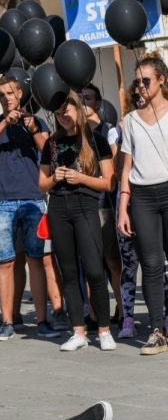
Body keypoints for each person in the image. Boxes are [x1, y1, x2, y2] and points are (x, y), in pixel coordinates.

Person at [0, 76, 54, 341]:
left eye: (10, 93)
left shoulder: (37, 121)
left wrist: (32, 129)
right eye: (1, 94)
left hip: (33, 198)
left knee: (35, 260)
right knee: (5, 261)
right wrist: (5, 122)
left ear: (19, 92)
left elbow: (49, 152)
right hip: (2, 201)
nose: (6, 98)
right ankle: (7, 321)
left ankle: (42, 321)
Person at [39, 93, 116, 352]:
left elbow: (108, 182)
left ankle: (104, 331)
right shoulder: (52, 142)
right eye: (58, 113)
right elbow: (42, 184)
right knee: (69, 273)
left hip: (86, 205)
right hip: (59, 208)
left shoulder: (96, 140)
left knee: (94, 270)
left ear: (78, 109)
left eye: (66, 110)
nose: (63, 116)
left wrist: (80, 178)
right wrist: (56, 177)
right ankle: (78, 332)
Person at [118, 52, 168, 355]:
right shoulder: (131, 121)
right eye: (137, 82)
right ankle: (157, 331)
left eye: (145, 81)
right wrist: (123, 207)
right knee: (150, 266)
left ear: (161, 80)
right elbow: (126, 168)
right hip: (143, 198)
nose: (140, 87)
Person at [80, 84, 123, 327]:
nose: (83, 102)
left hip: (104, 203)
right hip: (83, 204)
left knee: (112, 261)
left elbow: (115, 168)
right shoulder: (75, 132)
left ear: (98, 104)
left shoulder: (109, 131)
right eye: (81, 99)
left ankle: (122, 310)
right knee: (90, 263)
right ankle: (95, 313)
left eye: (88, 99)